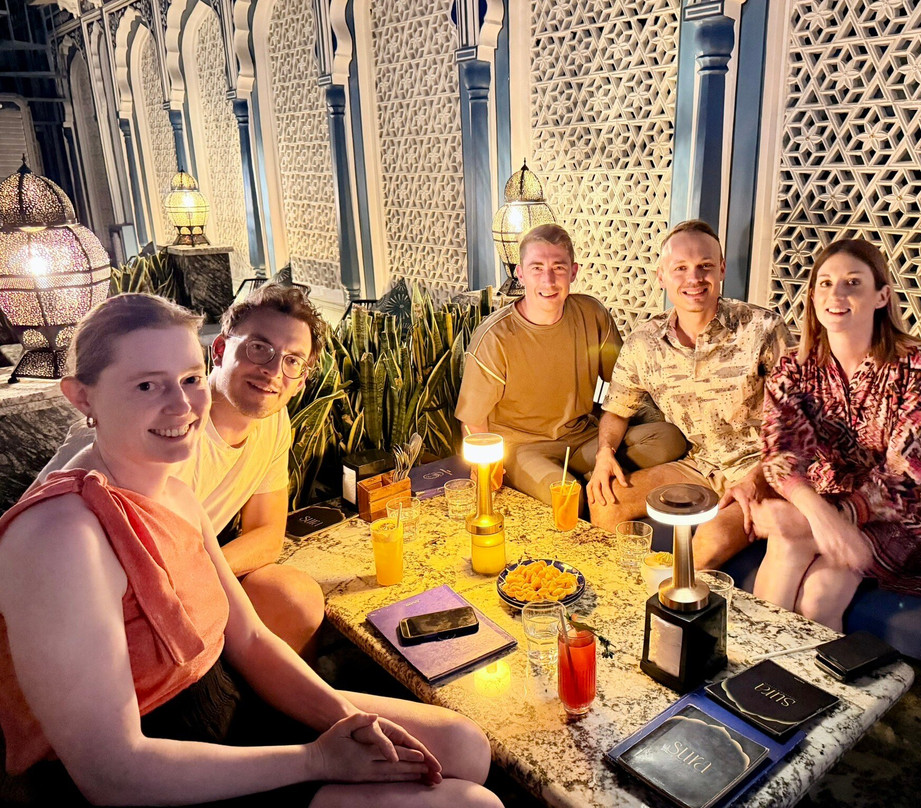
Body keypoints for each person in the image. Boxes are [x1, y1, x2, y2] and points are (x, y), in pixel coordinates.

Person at [0, 294, 501, 807]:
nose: (182, 406)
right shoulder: (62, 536)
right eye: (146, 385)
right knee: (474, 803)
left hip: (230, 701)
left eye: (190, 380)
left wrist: (349, 722)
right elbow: (111, 776)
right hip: (165, 767)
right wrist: (317, 759)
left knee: (465, 746)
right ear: (82, 397)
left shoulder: (174, 491)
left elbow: (252, 638)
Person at [35, 284, 325, 657]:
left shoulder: (272, 419)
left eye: (292, 360)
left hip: (189, 574)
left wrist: (202, 576)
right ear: (219, 349)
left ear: (301, 380)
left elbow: (267, 534)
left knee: (296, 597)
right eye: (259, 348)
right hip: (110, 607)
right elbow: (39, 541)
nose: (272, 371)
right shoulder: (151, 431)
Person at [750, 238, 921, 631]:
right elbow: (779, 449)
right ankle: (756, 662)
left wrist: (838, 517)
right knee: (788, 538)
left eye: (853, 282)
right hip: (828, 500)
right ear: (813, 296)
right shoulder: (794, 367)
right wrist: (817, 512)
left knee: (817, 596)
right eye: (825, 283)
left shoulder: (918, 365)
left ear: (882, 296)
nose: (836, 294)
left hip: (903, 513)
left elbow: (909, 470)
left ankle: (803, 669)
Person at [587, 220, 793, 568]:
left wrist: (756, 479)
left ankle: (669, 601)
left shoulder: (763, 329)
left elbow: (797, 425)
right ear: (662, 276)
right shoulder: (645, 343)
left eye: (705, 266)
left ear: (721, 269)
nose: (694, 278)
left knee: (710, 539)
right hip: (701, 464)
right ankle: (623, 590)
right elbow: (617, 410)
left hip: (763, 470)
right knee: (606, 500)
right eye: (680, 268)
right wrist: (604, 454)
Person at [455, 223, 685, 511]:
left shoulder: (592, 314)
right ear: (520, 273)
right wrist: (487, 468)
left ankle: (592, 479)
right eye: (537, 268)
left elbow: (624, 381)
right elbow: (473, 420)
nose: (548, 280)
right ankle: (584, 486)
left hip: (584, 436)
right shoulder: (495, 337)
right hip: (525, 450)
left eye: (558, 268)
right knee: (567, 499)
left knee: (669, 439)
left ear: (573, 272)